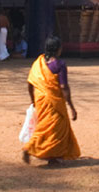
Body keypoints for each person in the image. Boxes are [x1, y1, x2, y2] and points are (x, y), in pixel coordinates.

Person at [22, 36, 79, 165]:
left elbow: (30, 84)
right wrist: (71, 106)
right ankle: (32, 148)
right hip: (55, 102)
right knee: (55, 128)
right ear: (58, 49)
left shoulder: (38, 63)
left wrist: (33, 101)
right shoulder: (60, 64)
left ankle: (49, 156)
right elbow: (64, 86)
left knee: (44, 126)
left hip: (41, 100)